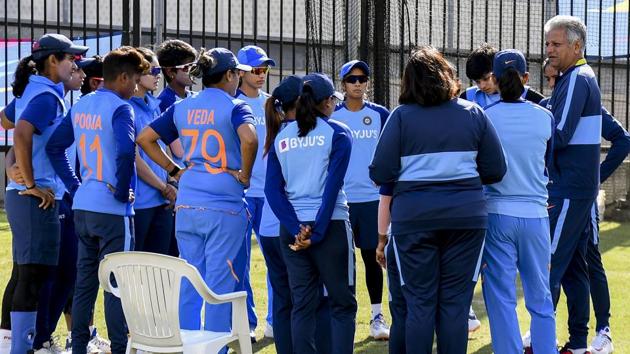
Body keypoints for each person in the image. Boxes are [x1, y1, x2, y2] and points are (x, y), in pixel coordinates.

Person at [369, 46, 506, 354]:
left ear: (408, 82)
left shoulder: (401, 117)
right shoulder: (473, 113)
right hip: (466, 220)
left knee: (420, 305)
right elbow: (496, 170)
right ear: (448, 76)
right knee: (455, 306)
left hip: (414, 221)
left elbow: (380, 171)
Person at [136, 48, 257, 345]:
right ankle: (214, 348)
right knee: (220, 284)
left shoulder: (183, 106)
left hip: (188, 202)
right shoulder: (236, 105)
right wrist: (243, 175)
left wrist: (174, 171)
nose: (239, 78)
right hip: (224, 206)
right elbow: (250, 139)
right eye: (237, 73)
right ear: (229, 75)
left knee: (190, 280)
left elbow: (144, 139)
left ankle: (184, 346)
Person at [47, 46, 149, 354]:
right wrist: (120, 191)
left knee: (85, 284)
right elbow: (124, 150)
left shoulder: (82, 105)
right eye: (134, 80)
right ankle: (119, 348)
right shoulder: (121, 107)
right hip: (113, 209)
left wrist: (76, 186)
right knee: (117, 285)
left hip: (84, 205)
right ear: (121, 78)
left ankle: (79, 347)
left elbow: (55, 147)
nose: (135, 87)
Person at [3, 33, 87, 354]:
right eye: (70, 59)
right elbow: (22, 131)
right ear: (53, 60)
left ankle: (12, 346)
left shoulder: (37, 89)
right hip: (34, 198)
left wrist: (13, 162)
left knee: (27, 275)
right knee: (33, 277)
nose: (74, 64)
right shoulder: (47, 96)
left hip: (28, 196)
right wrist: (29, 183)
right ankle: (21, 349)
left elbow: (8, 121)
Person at [542, 59, 630, 354]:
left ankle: (603, 331)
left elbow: (622, 140)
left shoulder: (584, 99)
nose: (553, 86)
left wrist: (596, 177)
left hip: (578, 197)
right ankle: (570, 337)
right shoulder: (549, 103)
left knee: (588, 261)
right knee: (573, 268)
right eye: (549, 81)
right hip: (567, 194)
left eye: (556, 79)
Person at [265, 73, 357, 354]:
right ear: (326, 102)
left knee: (302, 305)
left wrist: (296, 229)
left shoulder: (282, 136)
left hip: (293, 233)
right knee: (342, 304)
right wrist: (316, 232)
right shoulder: (338, 133)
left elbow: (273, 192)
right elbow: (332, 188)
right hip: (330, 228)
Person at [480, 49, 557, 354]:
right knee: (540, 297)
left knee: (500, 298)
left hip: (497, 214)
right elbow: (548, 165)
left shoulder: (485, 118)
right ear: (527, 78)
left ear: (494, 80)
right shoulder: (545, 117)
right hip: (536, 216)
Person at [257, 75, 332, 354]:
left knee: (284, 300)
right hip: (297, 228)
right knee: (316, 300)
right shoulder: (309, 134)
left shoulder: (275, 134)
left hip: (270, 228)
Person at [544, 15, 603, 354]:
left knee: (550, 264)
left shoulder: (578, 77)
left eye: (555, 44)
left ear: (576, 46)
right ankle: (578, 344)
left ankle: (542, 339)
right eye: (548, 43)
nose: (549, 50)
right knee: (573, 271)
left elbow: (559, 133)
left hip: (567, 189)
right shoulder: (572, 77)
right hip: (574, 188)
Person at [331, 59, 391, 340]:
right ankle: (345, 316)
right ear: (342, 84)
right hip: (341, 200)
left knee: (372, 259)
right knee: (343, 263)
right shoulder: (332, 116)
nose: (358, 83)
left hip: (371, 200)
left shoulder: (381, 114)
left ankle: (377, 317)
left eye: (362, 78)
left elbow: (391, 152)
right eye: (352, 79)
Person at [235, 45, 277, 340]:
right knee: (239, 262)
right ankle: (246, 323)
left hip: (271, 193)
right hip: (241, 192)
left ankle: (274, 321)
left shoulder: (271, 104)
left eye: (264, 70)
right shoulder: (231, 103)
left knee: (276, 259)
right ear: (239, 72)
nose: (262, 75)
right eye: (256, 70)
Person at [130, 47, 177, 254]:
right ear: (138, 73)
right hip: (141, 201)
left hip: (162, 198)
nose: (159, 77)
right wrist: (162, 186)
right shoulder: (127, 106)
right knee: (136, 268)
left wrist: (171, 181)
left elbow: (163, 144)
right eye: (154, 72)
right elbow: (133, 157)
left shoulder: (154, 105)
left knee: (162, 267)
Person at [460, 43, 545, 107]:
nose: (482, 86)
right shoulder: (467, 97)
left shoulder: (529, 95)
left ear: (496, 73)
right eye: (477, 81)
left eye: (486, 79)